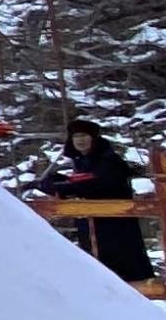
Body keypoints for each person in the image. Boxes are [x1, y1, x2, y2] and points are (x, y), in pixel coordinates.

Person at [43, 114, 156, 287]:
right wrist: (58, 182)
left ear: (94, 138)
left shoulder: (109, 160)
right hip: (91, 227)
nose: (80, 140)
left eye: (84, 136)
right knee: (98, 274)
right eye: (76, 136)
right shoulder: (81, 161)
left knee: (124, 277)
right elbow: (81, 182)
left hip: (115, 228)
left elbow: (97, 184)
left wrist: (62, 187)